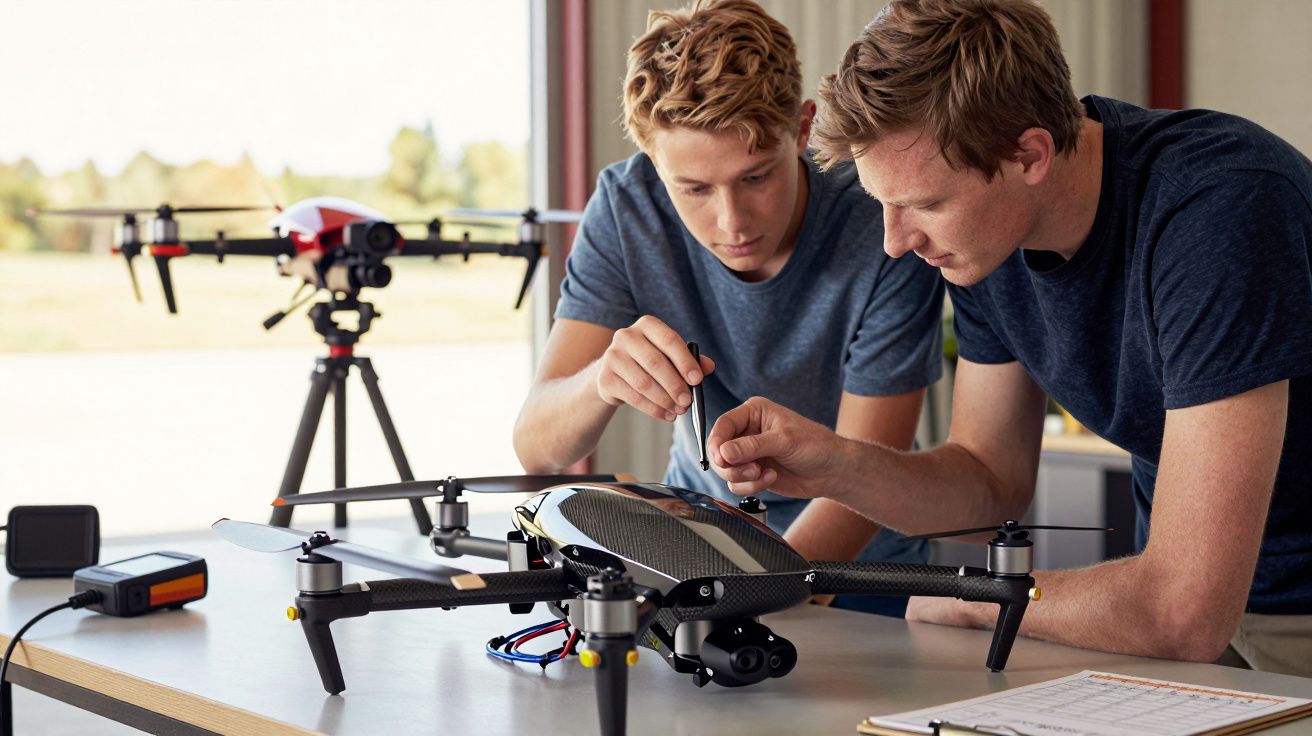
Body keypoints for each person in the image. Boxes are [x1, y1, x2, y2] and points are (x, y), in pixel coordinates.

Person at [708, 0, 1312, 675]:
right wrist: (836, 464)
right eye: (885, 202)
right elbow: (988, 482)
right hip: (1200, 624)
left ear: (1030, 154)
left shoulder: (1219, 210)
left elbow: (1182, 611)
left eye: (925, 204)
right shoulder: (992, 236)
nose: (896, 241)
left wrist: (973, 598)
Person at [512, 0, 945, 616]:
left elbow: (863, 481)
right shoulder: (625, 207)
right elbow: (537, 446)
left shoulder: (880, 223)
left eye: (758, 176)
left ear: (802, 129)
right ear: (653, 162)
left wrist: (748, 600)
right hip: (701, 560)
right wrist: (601, 381)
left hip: (863, 573)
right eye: (692, 189)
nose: (732, 222)